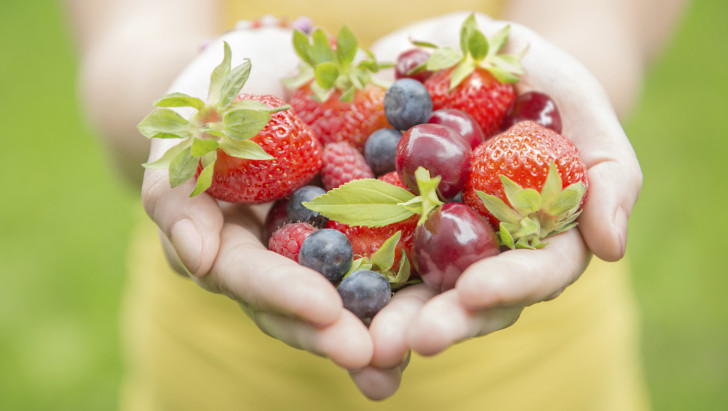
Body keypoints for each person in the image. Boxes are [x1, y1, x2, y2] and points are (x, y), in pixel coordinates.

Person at [66, 0, 686, 409]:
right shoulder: (311, 159)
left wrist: (565, 77)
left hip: (542, 378)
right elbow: (125, 44)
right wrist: (201, 92)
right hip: (215, 376)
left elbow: (604, 25)